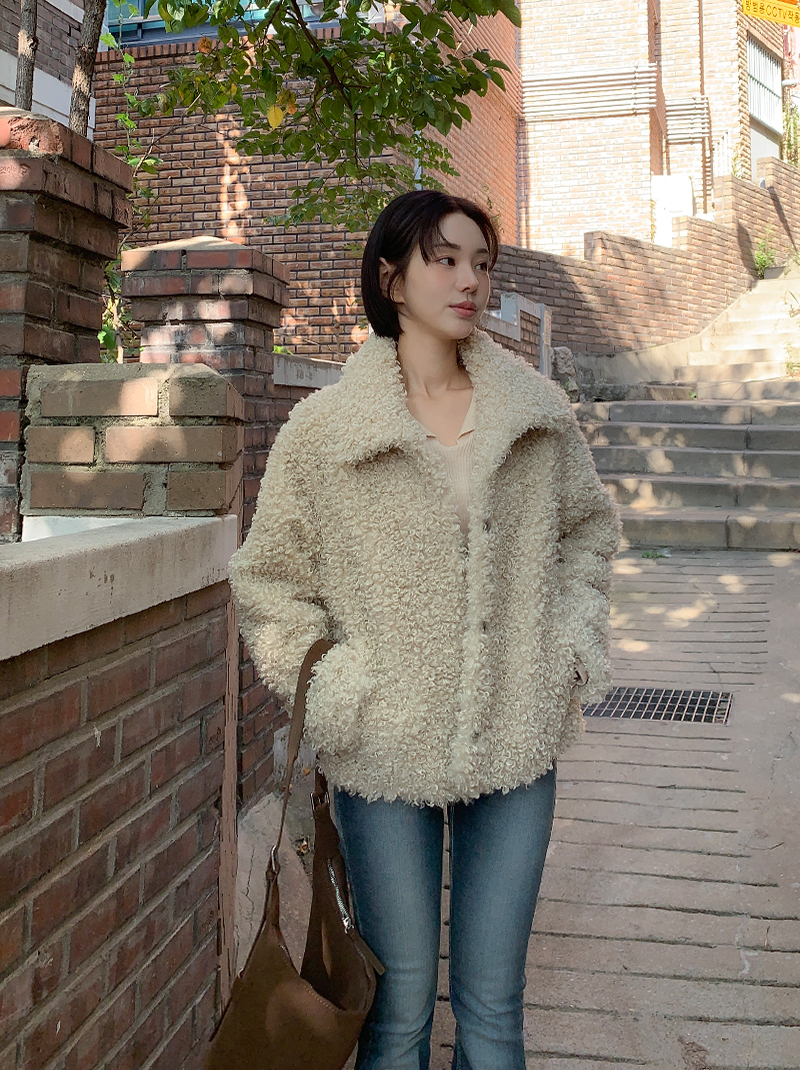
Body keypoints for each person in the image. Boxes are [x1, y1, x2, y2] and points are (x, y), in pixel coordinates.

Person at [228, 189, 621, 1070]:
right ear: (391, 279)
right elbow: (269, 580)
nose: (469, 279)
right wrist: (339, 691)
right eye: (444, 259)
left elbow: (587, 536)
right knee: (398, 1009)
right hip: (383, 742)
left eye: (481, 262)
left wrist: (566, 649)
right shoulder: (327, 431)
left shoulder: (537, 414)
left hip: (516, 732)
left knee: (493, 1009)